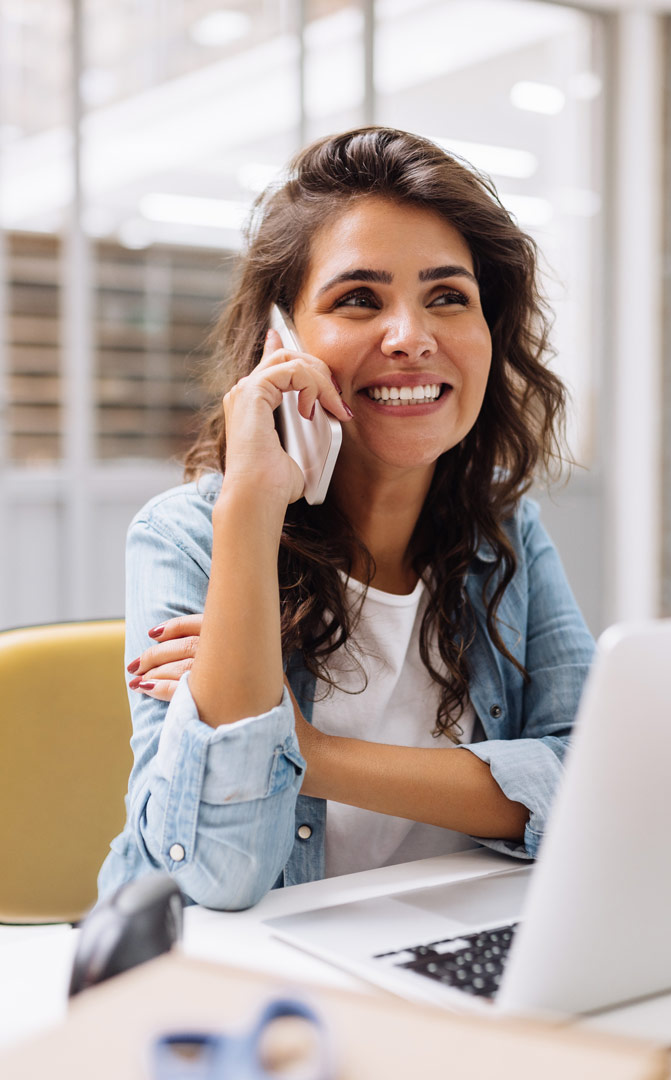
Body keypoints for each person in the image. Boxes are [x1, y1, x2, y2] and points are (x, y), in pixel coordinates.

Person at [97, 127, 595, 911]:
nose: (411, 337)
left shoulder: (505, 532)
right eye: (359, 299)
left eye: (448, 297)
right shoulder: (190, 536)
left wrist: (311, 753)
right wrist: (252, 508)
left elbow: (594, 786)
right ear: (281, 341)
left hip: (443, 945)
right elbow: (217, 877)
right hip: (244, 978)